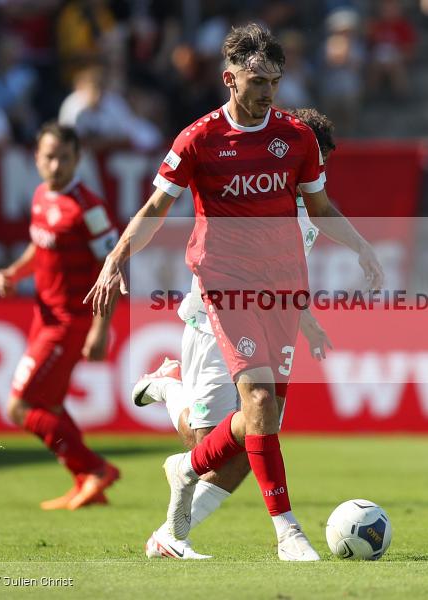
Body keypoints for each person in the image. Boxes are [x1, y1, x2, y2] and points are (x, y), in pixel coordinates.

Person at [85, 24, 383, 561]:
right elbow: (156, 208)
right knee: (251, 412)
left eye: (275, 80)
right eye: (257, 79)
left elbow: (318, 210)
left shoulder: (295, 141)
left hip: (281, 298)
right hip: (221, 291)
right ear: (230, 79)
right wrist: (115, 257)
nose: (267, 89)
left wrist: (360, 247)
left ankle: (172, 522)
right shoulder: (198, 139)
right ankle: (287, 533)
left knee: (247, 440)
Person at [132, 108, 341, 560]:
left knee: (253, 440)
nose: (311, 172)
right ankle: (170, 388)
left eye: (317, 163)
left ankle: (170, 536)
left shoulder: (308, 213)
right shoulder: (255, 190)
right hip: (216, 317)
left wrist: (306, 321)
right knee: (211, 443)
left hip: (267, 319)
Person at [0, 122, 121, 511]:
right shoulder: (39, 196)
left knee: (19, 407)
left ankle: (96, 468)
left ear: (77, 159)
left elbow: (112, 271)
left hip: (71, 322)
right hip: (44, 316)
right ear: (36, 158)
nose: (56, 165)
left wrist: (101, 329)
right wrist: (14, 272)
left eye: (64, 158)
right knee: (49, 406)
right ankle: (86, 481)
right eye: (49, 156)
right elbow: (40, 247)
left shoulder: (89, 208)